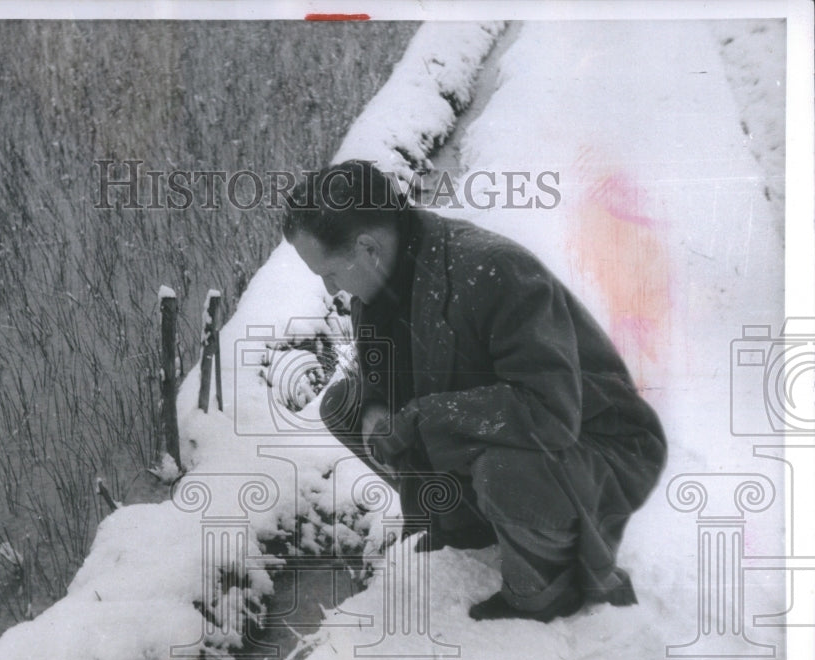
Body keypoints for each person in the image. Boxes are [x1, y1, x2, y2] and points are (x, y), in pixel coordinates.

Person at [282, 160, 667, 622]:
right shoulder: (376, 285)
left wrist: (421, 418)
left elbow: (551, 412)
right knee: (345, 403)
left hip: (596, 442)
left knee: (503, 468)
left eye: (329, 273)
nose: (329, 290)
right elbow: (387, 380)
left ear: (367, 248)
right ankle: (467, 525)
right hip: (510, 431)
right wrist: (376, 410)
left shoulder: (493, 269)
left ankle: (546, 586)